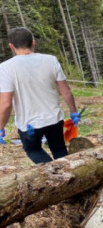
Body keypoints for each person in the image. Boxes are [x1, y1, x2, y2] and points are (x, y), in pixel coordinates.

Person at [0, 27, 81, 164]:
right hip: (54, 118)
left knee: (33, 150)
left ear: (11, 46)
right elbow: (66, 92)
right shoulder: (51, 60)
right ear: (33, 43)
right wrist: (73, 112)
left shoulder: (5, 68)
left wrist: (1, 126)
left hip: (29, 124)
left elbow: (6, 104)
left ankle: (54, 174)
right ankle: (67, 174)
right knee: (59, 149)